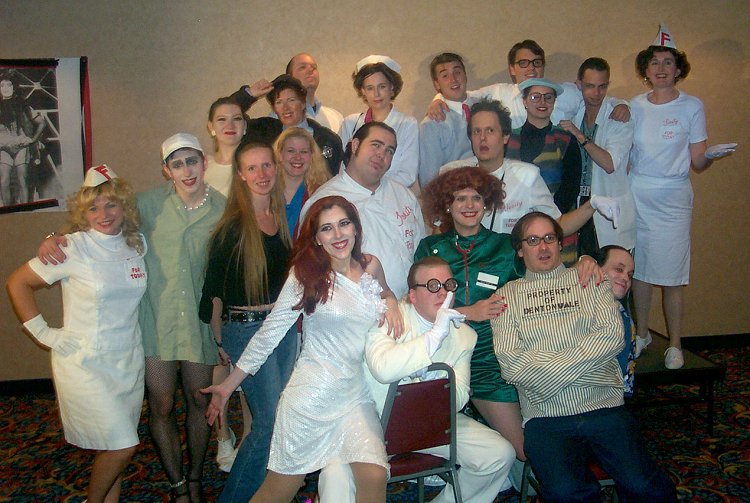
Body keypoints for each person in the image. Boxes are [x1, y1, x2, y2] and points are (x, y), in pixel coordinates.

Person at [39, 134, 225, 502]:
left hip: (198, 323)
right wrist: (54, 236)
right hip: (155, 322)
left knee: (199, 402)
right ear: (166, 170)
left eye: (191, 161)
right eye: (177, 164)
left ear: (204, 162)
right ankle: (176, 484)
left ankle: (195, 478)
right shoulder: (147, 203)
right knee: (161, 404)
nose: (186, 170)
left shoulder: (224, 208)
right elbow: (100, 219)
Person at [202, 195, 401, 503]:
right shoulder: (305, 274)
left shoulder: (370, 266)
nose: (338, 234)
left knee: (374, 476)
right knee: (279, 491)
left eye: (344, 224)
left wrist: (392, 304)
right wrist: (229, 385)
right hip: (311, 397)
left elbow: (385, 293)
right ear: (317, 238)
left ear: (355, 228)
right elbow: (270, 332)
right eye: (327, 228)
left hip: (354, 396)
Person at [492, 211, 677, 502]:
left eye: (549, 238)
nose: (543, 247)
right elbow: (512, 366)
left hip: (604, 407)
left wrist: (547, 375)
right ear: (520, 250)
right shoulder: (505, 298)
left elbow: (611, 338)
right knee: (567, 494)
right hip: (546, 418)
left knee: (645, 486)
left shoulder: (592, 280)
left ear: (560, 243)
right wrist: (585, 366)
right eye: (533, 240)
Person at [318, 257, 516, 502]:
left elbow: (459, 396)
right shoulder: (388, 317)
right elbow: (383, 369)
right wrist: (433, 341)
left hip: (431, 424)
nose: (442, 293)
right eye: (433, 286)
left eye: (448, 285)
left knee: (499, 454)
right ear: (413, 295)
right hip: (375, 422)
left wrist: (427, 382)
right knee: (335, 472)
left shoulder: (465, 336)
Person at [7, 165, 147, 502]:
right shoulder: (72, 247)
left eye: (111, 204)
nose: (103, 214)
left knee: (115, 444)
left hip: (128, 361)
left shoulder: (137, 244)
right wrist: (45, 334)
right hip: (86, 363)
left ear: (124, 206)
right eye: (93, 208)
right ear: (82, 213)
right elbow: (18, 283)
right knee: (123, 446)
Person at [629, 25, 736, 369]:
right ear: (646, 70)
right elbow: (627, 156)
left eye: (668, 62)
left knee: (672, 274)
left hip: (673, 198)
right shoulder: (633, 106)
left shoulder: (692, 106)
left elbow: (697, 162)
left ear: (678, 69)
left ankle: (675, 343)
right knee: (640, 271)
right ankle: (641, 334)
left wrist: (711, 156)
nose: (661, 68)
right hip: (638, 194)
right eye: (654, 63)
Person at [199, 142, 296, 500]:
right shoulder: (232, 228)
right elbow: (212, 293)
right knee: (267, 423)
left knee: (277, 418)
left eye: (267, 165)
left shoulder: (279, 218)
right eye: (252, 168)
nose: (261, 174)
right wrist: (220, 342)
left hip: (282, 328)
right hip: (246, 330)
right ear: (240, 175)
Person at [441, 99, 619, 238]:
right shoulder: (452, 174)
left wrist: (592, 205)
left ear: (505, 136)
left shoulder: (527, 176)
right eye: (476, 131)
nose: (482, 138)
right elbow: (439, 229)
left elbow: (557, 225)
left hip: (510, 268)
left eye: (490, 131)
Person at [301, 121, 425, 298]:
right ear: (355, 145)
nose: (381, 155)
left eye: (389, 151)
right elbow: (310, 267)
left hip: (408, 305)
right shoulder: (323, 201)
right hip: (355, 308)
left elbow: (421, 252)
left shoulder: (404, 196)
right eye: (376, 145)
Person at [427, 40, 630, 128]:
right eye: (523, 63)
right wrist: (437, 99)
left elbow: (596, 96)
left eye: (536, 62)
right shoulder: (499, 92)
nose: (531, 68)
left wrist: (621, 104)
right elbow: (464, 95)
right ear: (512, 69)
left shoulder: (565, 92)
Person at [559, 58, 636, 257]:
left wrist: (580, 136)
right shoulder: (575, 112)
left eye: (602, 86)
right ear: (579, 85)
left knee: (612, 268)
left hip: (608, 203)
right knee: (580, 267)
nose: (596, 93)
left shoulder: (618, 117)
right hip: (578, 203)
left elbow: (609, 163)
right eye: (590, 86)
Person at [505, 78, 582, 264]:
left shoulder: (565, 139)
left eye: (548, 97)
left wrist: (550, 224)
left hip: (558, 224)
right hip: (515, 225)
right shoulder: (507, 139)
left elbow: (571, 187)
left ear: (554, 102)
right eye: (535, 97)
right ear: (524, 101)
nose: (542, 102)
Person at [230, 75, 343, 176]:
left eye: (291, 100)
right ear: (274, 108)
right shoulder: (262, 131)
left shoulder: (327, 140)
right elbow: (226, 115)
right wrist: (248, 94)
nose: (285, 108)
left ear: (303, 104)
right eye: (279, 102)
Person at [339, 55, 419, 189]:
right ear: (363, 91)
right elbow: (340, 168)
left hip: (390, 196)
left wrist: (372, 189)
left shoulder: (407, 124)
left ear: (392, 87)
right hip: (351, 194)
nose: (376, 94)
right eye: (370, 88)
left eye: (382, 86)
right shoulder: (350, 123)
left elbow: (407, 175)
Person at [418, 52, 476, 186]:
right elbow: (429, 179)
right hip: (455, 191)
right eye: (445, 76)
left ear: (465, 76)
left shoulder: (485, 108)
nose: (453, 79)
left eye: (457, 72)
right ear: (436, 84)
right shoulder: (432, 124)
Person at [273, 127, 331, 236]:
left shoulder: (320, 194)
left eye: (303, 152)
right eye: (291, 151)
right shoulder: (267, 190)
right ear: (279, 155)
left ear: (312, 156)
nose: (298, 157)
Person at [0, 70, 45, 205]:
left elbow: (42, 123)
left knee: (23, 180)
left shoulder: (23, 104)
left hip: (21, 147)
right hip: (3, 148)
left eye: (9, 85)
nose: (6, 88)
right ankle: (8, 212)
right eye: (2, 85)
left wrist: (33, 139)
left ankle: (24, 210)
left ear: (14, 87)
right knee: (4, 181)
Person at [599, 245, 637, 397]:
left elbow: (623, 381)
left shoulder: (624, 320)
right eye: (619, 269)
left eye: (630, 275)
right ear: (596, 268)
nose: (626, 278)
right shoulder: (571, 304)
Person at [285, 53, 344, 132]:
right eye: (302, 67)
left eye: (314, 67)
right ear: (289, 78)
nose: (310, 70)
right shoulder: (280, 118)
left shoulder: (336, 117)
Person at [205, 96, 246, 197]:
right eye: (222, 119)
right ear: (211, 126)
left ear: (244, 125)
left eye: (236, 119)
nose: (230, 125)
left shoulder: (258, 165)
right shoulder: (201, 167)